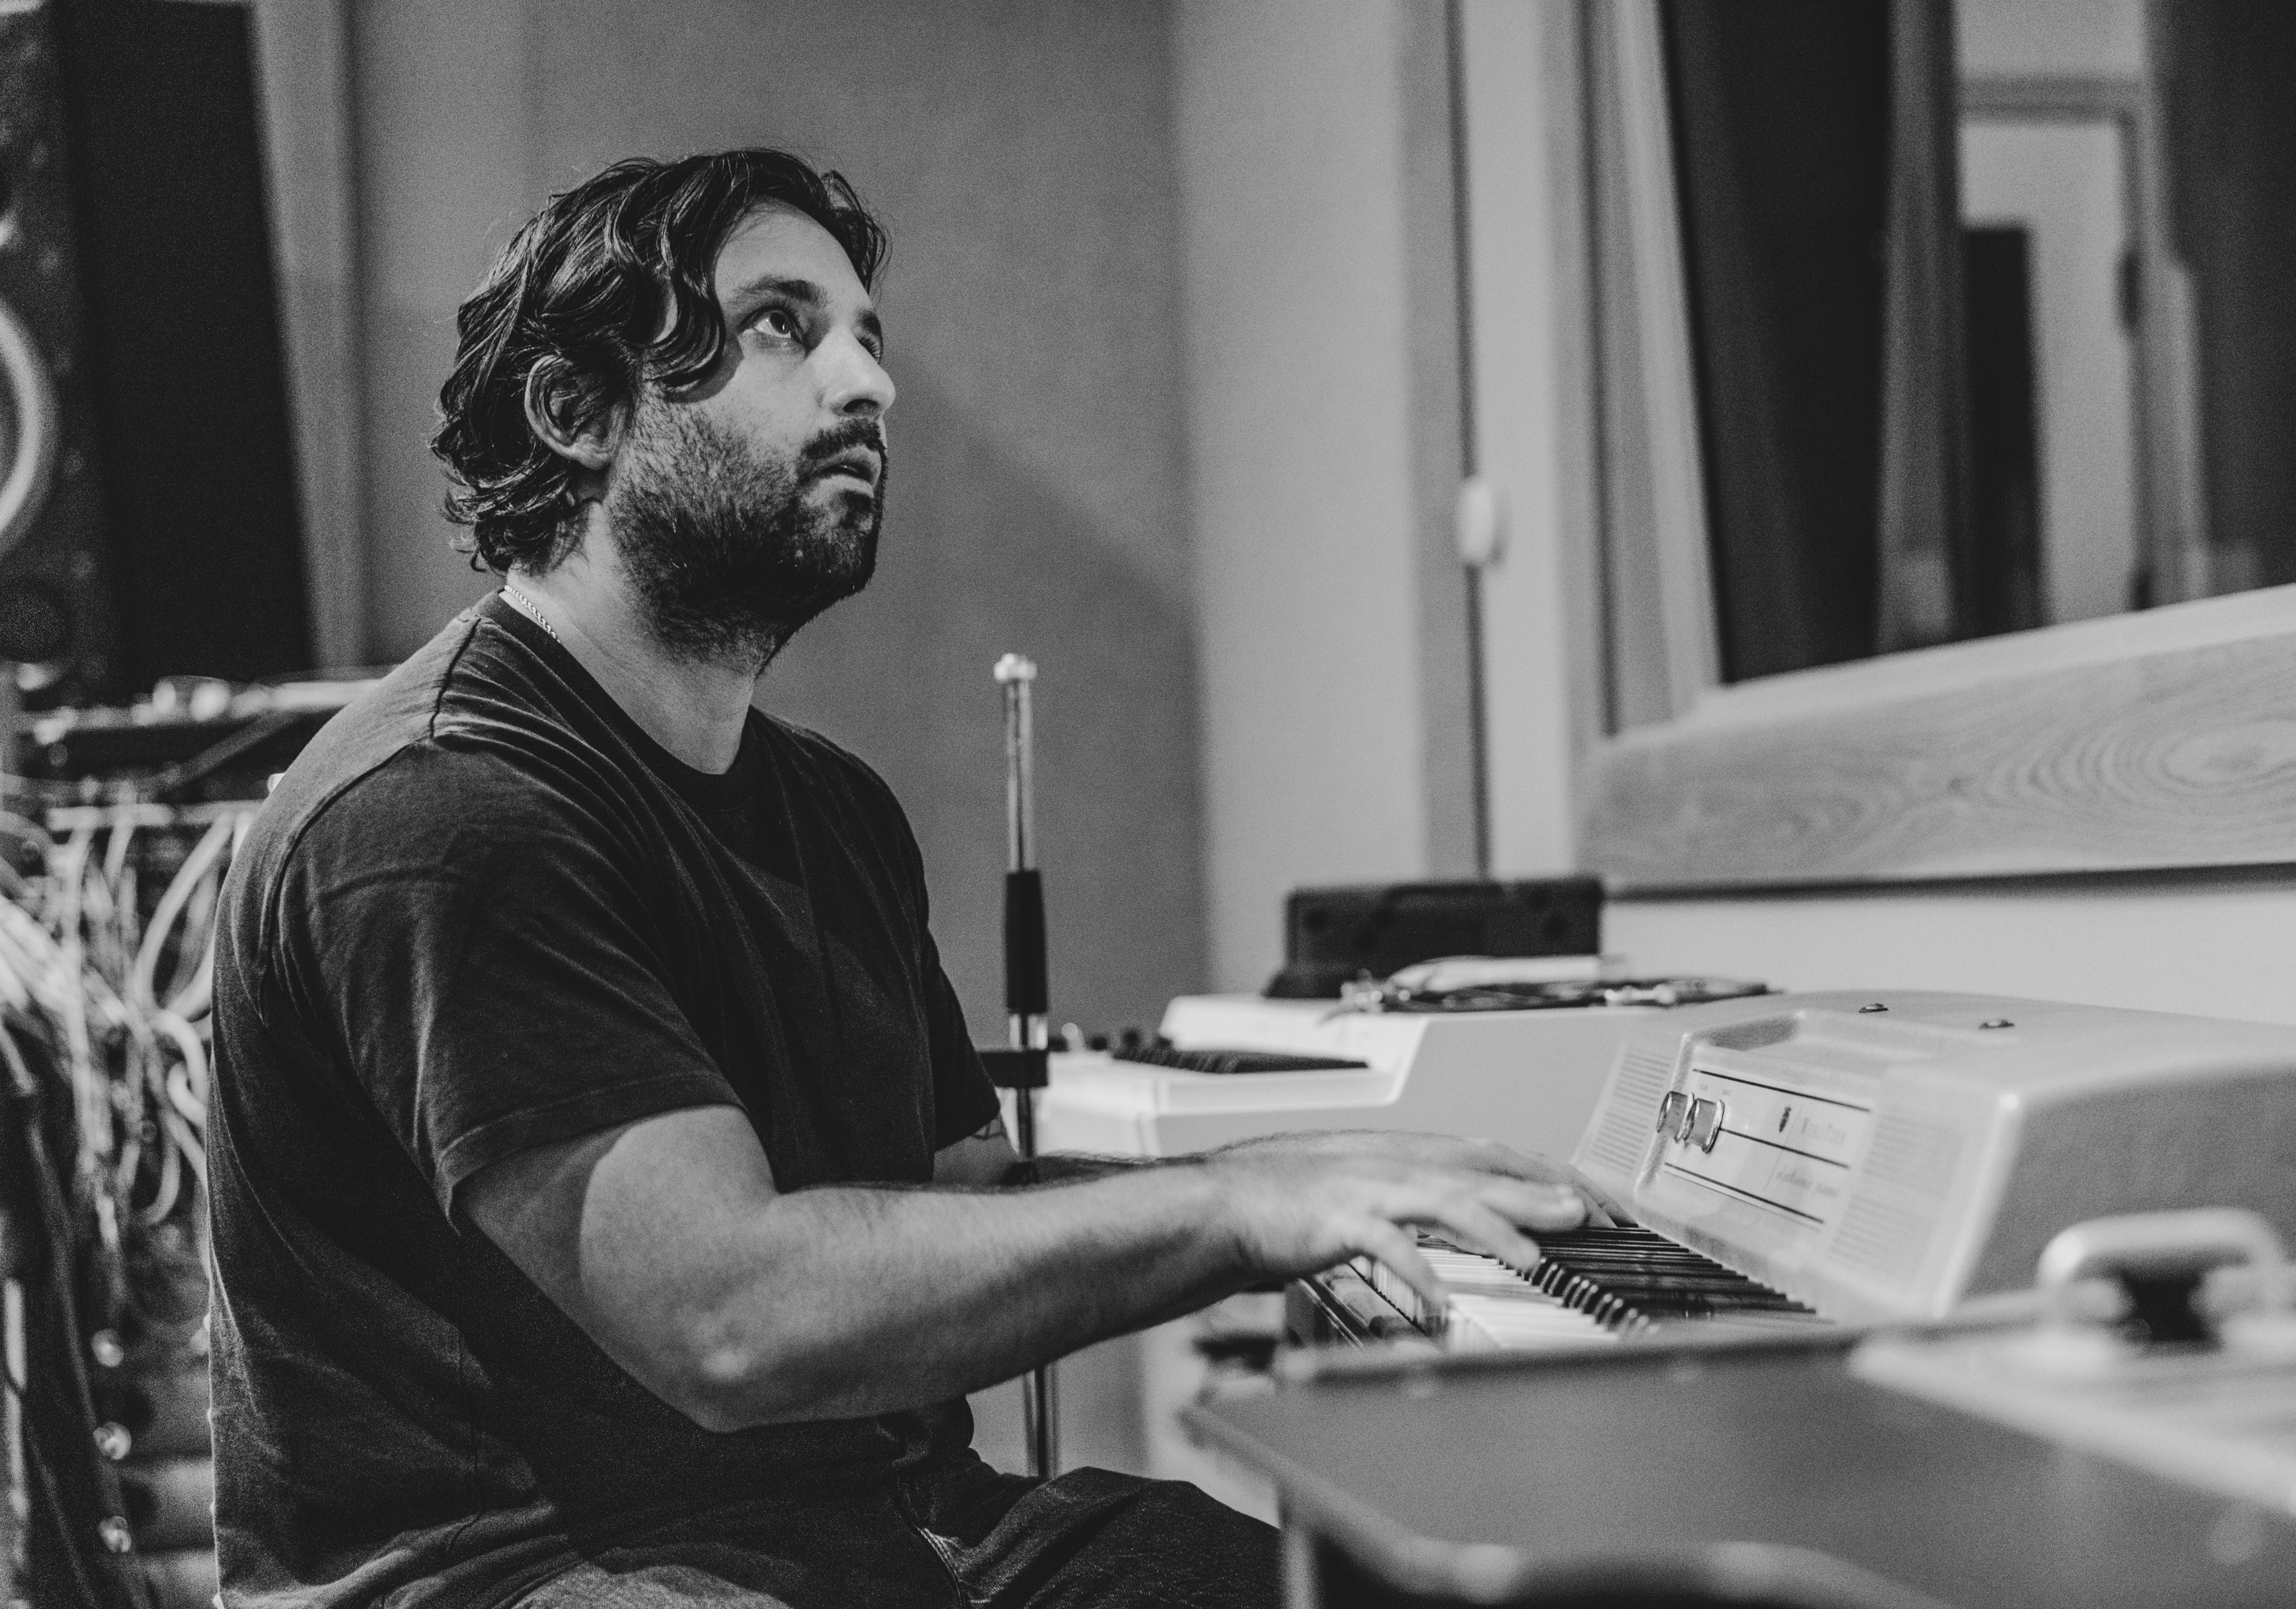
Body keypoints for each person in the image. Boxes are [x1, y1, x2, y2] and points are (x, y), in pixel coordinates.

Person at [206, 148, 1605, 1609]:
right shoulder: (443, 807)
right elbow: (730, 1315)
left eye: (868, 338)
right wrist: (1239, 1208)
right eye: (782, 325)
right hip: (527, 1573)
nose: (869, 384)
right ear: (578, 411)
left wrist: (1321, 1191)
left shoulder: (835, 810)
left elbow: (972, 1200)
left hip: (891, 1528)